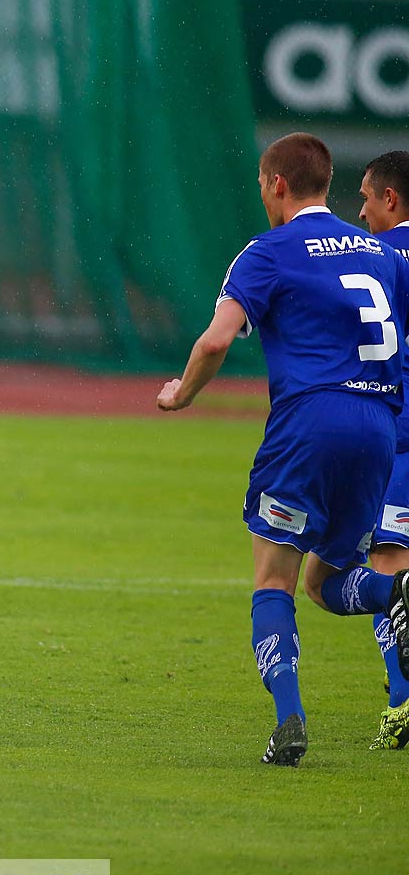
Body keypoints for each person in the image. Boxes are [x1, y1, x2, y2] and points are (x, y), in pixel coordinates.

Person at [156, 132, 409, 766]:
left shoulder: (266, 252)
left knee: (276, 579)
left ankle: (290, 720)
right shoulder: (382, 254)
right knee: (330, 582)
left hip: (308, 425)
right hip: (380, 427)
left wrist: (182, 394)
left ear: (275, 185)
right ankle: (396, 593)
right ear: (327, 183)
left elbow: (216, 342)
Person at [357, 149, 409, 749]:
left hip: (400, 434)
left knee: (389, 567)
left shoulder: (380, 257)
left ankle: (402, 701)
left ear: (390, 200)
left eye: (367, 198)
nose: (362, 210)